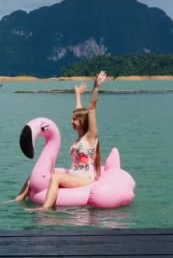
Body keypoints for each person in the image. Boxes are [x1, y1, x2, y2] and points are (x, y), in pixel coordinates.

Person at [12, 70, 107, 206]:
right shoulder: (80, 137)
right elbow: (80, 110)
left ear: (82, 122)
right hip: (74, 175)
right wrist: (78, 95)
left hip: (85, 178)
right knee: (38, 174)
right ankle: (18, 199)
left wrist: (96, 86)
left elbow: (91, 109)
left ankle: (45, 209)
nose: (71, 121)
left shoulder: (91, 137)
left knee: (55, 177)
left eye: (74, 120)